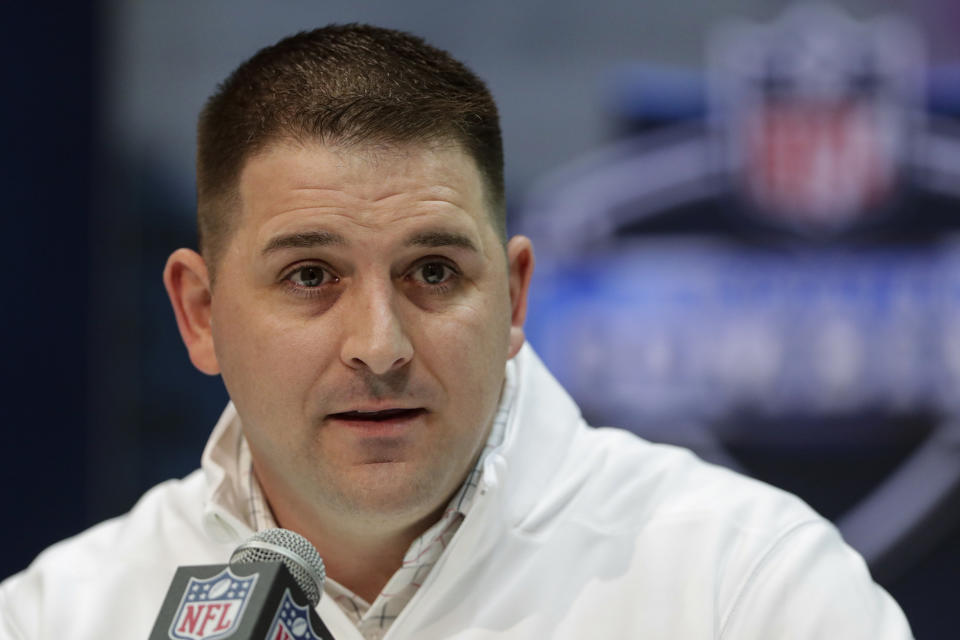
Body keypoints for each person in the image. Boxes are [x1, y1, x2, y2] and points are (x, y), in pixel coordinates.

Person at [0, 24, 913, 639]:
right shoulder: (63, 615)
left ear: (514, 299)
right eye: (310, 276)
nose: (381, 344)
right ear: (201, 315)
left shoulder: (746, 586)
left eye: (433, 272)